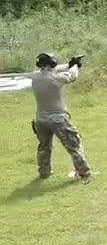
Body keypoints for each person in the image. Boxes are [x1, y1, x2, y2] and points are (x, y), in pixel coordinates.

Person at [30, 53, 92, 182]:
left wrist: (68, 64)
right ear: (51, 63)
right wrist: (74, 66)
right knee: (74, 145)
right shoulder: (57, 79)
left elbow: (53, 70)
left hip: (41, 119)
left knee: (44, 147)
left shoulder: (35, 77)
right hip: (58, 119)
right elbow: (72, 76)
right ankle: (83, 172)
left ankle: (44, 171)